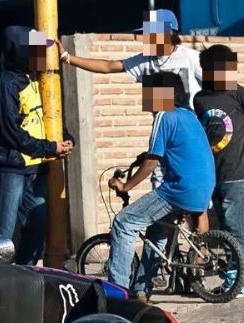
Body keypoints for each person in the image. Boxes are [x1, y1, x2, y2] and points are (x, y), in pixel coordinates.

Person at [56, 9, 203, 300]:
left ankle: (118, 291)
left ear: (169, 34)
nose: (147, 39)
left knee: (132, 221)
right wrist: (68, 59)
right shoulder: (147, 62)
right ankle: (142, 288)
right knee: (160, 226)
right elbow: (111, 65)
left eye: (152, 34)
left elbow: (218, 87)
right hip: (173, 150)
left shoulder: (190, 59)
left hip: (186, 147)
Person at [106, 72, 214, 291]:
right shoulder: (188, 115)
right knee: (157, 231)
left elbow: (153, 162)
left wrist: (126, 186)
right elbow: (170, 149)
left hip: (178, 190)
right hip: (204, 187)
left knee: (124, 223)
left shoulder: (164, 116)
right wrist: (144, 157)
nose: (144, 98)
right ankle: (141, 291)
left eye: (147, 93)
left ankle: (115, 291)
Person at [0, 25, 74, 265]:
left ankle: (24, 276)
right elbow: (12, 133)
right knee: (2, 234)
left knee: (37, 227)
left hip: (36, 168)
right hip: (12, 167)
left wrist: (65, 138)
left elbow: (45, 117)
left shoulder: (37, 79)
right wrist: (50, 148)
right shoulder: (7, 84)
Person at [193, 45, 244, 298]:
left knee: (234, 226)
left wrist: (241, 151)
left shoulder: (239, 94)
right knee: (224, 228)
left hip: (236, 173)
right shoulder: (201, 99)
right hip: (211, 172)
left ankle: (241, 279)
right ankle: (234, 276)